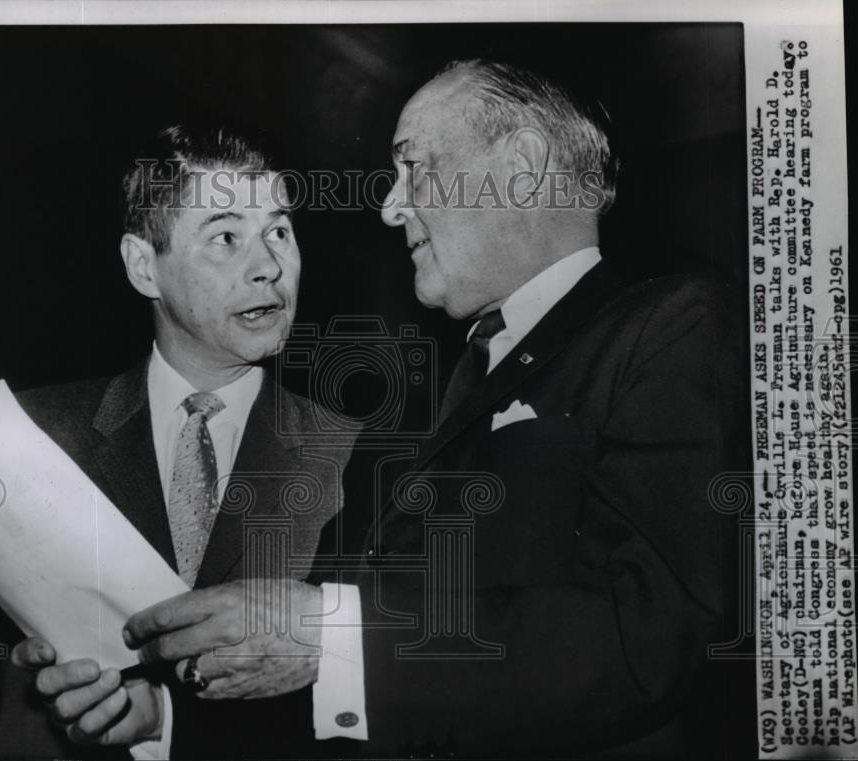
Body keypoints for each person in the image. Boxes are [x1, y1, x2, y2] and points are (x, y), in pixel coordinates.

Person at [119, 60, 742, 758]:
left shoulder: (675, 324)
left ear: (523, 166)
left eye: (412, 166)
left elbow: (654, 637)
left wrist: (330, 631)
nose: (390, 205)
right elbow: (399, 689)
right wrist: (165, 724)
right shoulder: (462, 378)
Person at [0, 125, 356, 759]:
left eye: (280, 231)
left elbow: (383, 705)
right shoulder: (21, 442)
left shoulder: (358, 458)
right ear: (143, 265)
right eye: (226, 236)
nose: (268, 266)